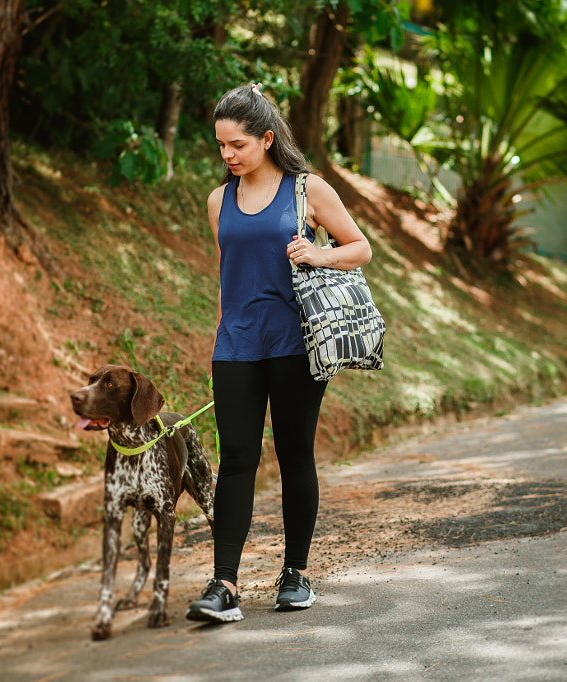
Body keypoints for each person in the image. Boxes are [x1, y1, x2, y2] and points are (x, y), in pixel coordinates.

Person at [185, 83, 372, 623]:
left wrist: (318, 253)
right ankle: (224, 585)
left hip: (295, 344)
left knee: (295, 456)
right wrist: (221, 339)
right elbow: (228, 276)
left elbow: (360, 246)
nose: (227, 155)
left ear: (267, 139)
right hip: (237, 348)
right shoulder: (219, 200)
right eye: (221, 145)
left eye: (237, 145)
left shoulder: (307, 190)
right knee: (237, 460)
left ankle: (296, 574)